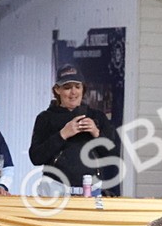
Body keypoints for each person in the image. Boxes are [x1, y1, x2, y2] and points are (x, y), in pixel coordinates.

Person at [29, 65, 121, 196]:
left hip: (91, 188)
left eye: (77, 87)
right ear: (57, 90)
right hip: (55, 187)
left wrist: (96, 133)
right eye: (67, 87)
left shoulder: (97, 116)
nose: (73, 92)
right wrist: (62, 134)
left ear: (83, 89)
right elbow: (36, 157)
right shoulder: (45, 118)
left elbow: (113, 156)